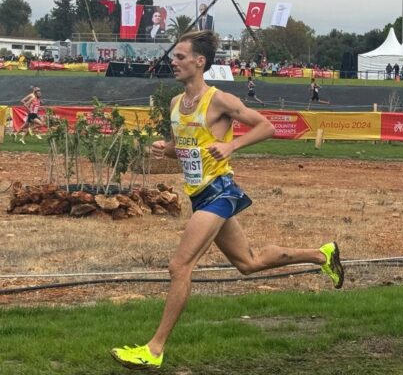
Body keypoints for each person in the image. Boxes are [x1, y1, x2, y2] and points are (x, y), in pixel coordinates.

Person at [110, 30, 344, 370]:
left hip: (219, 191)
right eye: (173, 57)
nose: (173, 62)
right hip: (199, 195)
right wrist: (167, 149)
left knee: (179, 267)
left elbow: (266, 126)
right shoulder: (175, 104)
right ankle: (321, 254)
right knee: (248, 263)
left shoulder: (219, 100)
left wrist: (232, 145)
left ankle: (154, 350)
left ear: (199, 62)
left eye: (180, 57)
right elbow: (186, 149)